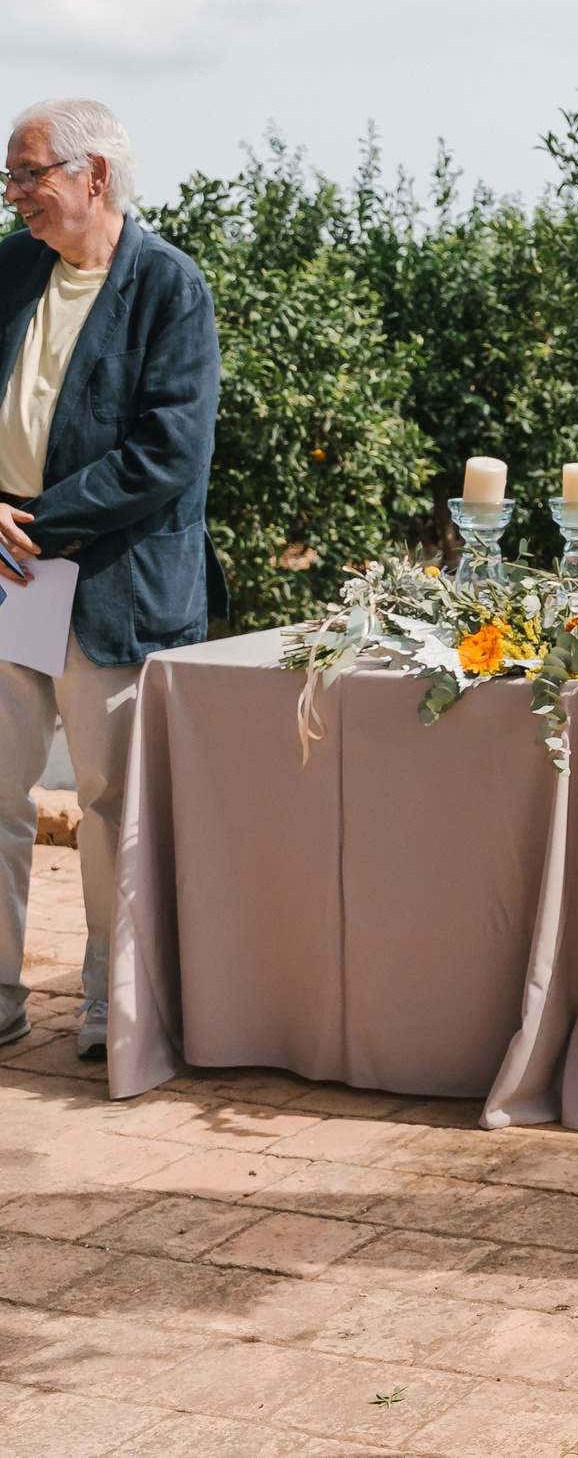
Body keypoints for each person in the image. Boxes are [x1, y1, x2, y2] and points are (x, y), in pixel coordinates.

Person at [0, 99, 223, 1061]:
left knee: (107, 804)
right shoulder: (9, 269)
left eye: (29, 175)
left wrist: (37, 524)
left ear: (94, 177)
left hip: (112, 583)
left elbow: (167, 454)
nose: (14, 197)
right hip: (8, 575)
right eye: (8, 179)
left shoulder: (170, 287)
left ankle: (108, 1004)